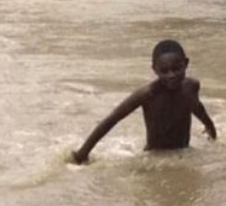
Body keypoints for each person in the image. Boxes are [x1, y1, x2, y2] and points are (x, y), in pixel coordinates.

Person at [71, 40, 216, 164]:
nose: (171, 75)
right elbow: (112, 119)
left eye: (176, 69)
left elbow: (196, 107)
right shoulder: (148, 94)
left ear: (186, 64)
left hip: (184, 153)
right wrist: (83, 153)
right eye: (164, 71)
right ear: (154, 69)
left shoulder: (191, 86)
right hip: (155, 159)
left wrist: (211, 129)